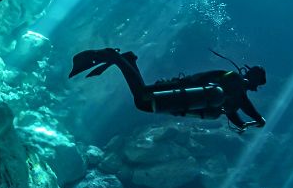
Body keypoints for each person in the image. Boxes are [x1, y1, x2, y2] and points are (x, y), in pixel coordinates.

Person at [69, 47, 266, 133]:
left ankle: (128, 60)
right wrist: (258, 119)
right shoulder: (234, 81)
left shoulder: (231, 91)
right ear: (254, 80)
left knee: (142, 97)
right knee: (141, 98)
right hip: (177, 93)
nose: (255, 89)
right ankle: (116, 58)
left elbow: (233, 112)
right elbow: (243, 103)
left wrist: (243, 124)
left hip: (177, 97)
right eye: (257, 84)